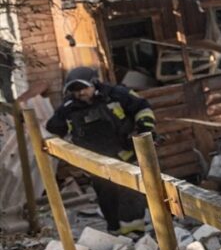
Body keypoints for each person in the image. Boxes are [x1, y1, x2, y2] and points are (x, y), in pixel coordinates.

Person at [45, 67, 155, 235]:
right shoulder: (68, 108)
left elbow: (143, 108)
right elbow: (53, 128)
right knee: (106, 196)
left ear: (94, 83)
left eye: (83, 88)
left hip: (124, 155)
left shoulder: (116, 94)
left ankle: (134, 232)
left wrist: (145, 130)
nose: (80, 93)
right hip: (95, 163)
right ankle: (115, 233)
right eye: (75, 90)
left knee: (130, 192)